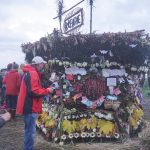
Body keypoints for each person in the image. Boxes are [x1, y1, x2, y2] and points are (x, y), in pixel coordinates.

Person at [16, 56, 53, 150]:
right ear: (37, 64)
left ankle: (28, 147)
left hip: (28, 105)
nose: (43, 65)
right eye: (41, 64)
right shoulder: (32, 73)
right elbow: (34, 91)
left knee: (28, 130)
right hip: (30, 106)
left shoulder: (29, 72)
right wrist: (47, 90)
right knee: (30, 131)